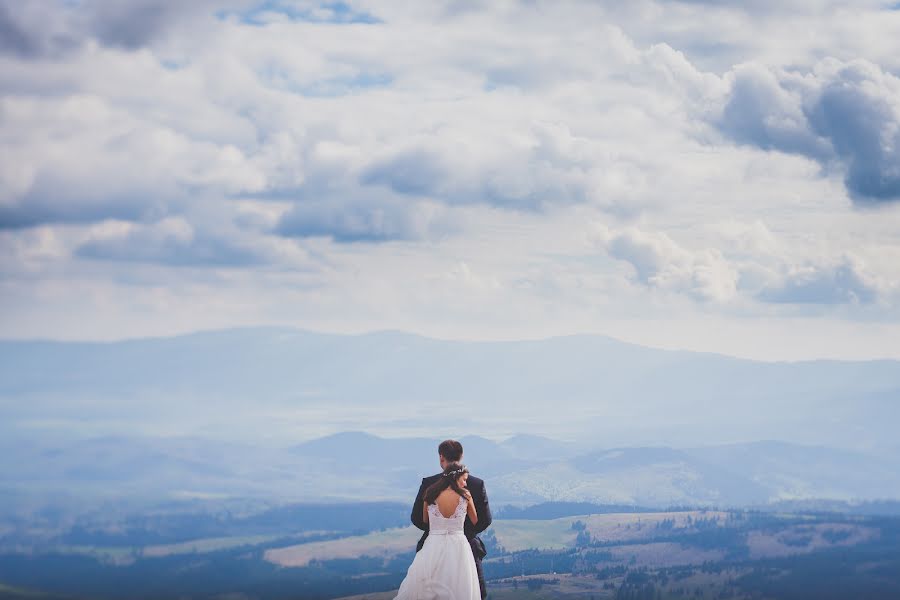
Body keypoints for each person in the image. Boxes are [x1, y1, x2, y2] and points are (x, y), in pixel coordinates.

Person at [399, 440, 492, 599]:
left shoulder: (429, 484)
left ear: (441, 457)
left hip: (432, 550)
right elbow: (485, 520)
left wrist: (437, 529)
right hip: (466, 547)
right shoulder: (476, 484)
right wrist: (462, 532)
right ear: (461, 456)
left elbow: (417, 518)